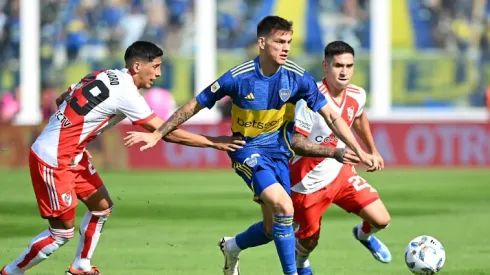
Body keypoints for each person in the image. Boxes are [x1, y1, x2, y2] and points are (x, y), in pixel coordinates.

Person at [123, 17, 377, 275]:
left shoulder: (297, 77)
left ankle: (232, 247)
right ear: (262, 42)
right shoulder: (237, 77)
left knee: (271, 229)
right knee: (284, 207)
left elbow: (332, 116)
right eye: (279, 41)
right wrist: (158, 133)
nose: (286, 47)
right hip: (247, 150)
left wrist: (358, 150)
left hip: (279, 154)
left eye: (288, 41)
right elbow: (193, 105)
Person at [1, 41, 244, 275]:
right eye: (156, 66)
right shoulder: (127, 93)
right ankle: (11, 271)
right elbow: (166, 131)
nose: (158, 73)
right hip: (54, 158)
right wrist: (215, 142)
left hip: (72, 153)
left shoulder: (102, 73)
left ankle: (81, 266)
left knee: (101, 208)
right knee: (61, 233)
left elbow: (62, 97)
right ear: (137, 66)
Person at [288, 41, 392, 275]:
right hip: (307, 183)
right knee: (309, 243)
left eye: (349, 65)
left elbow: (358, 117)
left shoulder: (357, 94)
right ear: (325, 66)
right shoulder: (310, 100)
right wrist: (335, 152)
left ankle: (363, 234)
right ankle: (301, 263)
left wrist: (372, 150)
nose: (344, 71)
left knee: (382, 219)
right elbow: (296, 143)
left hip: (341, 174)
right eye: (337, 65)